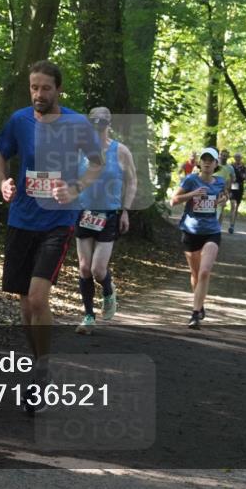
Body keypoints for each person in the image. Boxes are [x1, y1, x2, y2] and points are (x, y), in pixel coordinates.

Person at [0, 60, 102, 412]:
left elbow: (96, 163)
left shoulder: (77, 123)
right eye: (34, 88)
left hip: (58, 220)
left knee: (39, 298)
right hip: (21, 218)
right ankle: (40, 362)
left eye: (45, 88)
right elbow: (0, 154)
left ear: (58, 89)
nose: (39, 94)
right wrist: (3, 182)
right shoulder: (19, 120)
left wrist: (75, 188)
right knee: (25, 305)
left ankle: (41, 373)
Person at [74, 107, 137, 335]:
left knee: (98, 270)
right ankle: (88, 316)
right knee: (84, 267)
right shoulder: (80, 150)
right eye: (94, 122)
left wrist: (126, 210)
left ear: (109, 123)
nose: (99, 125)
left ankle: (108, 290)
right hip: (84, 212)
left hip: (109, 214)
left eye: (103, 122)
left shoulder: (121, 151)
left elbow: (131, 181)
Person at [171, 147, 230, 327]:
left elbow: (224, 196)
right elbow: (173, 200)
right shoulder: (191, 180)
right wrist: (192, 194)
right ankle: (200, 303)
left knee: (205, 271)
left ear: (215, 164)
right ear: (200, 163)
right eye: (204, 159)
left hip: (212, 231)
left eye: (210, 160)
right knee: (196, 274)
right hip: (190, 231)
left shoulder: (220, 181)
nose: (206, 162)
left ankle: (195, 314)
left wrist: (223, 200)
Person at [226, 152, 246, 234]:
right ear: (234, 158)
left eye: (239, 157)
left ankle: (232, 224)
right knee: (233, 204)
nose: (237, 158)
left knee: (236, 206)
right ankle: (231, 226)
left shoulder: (244, 167)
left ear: (241, 158)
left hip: (240, 186)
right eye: (236, 157)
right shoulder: (231, 166)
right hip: (233, 185)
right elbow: (227, 175)